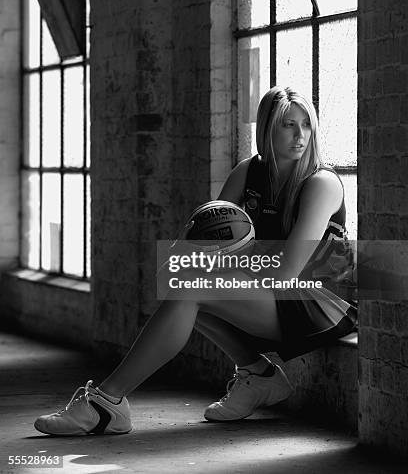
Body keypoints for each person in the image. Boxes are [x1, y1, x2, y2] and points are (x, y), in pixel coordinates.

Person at [34, 86, 357, 435]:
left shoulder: (320, 183)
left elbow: (288, 270)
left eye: (307, 125)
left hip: (317, 304)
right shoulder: (248, 173)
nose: (301, 135)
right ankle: (258, 374)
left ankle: (105, 404)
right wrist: (189, 258)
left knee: (190, 288)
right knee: (180, 280)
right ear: (267, 129)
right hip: (272, 292)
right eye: (289, 125)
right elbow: (201, 241)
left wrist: (227, 261)